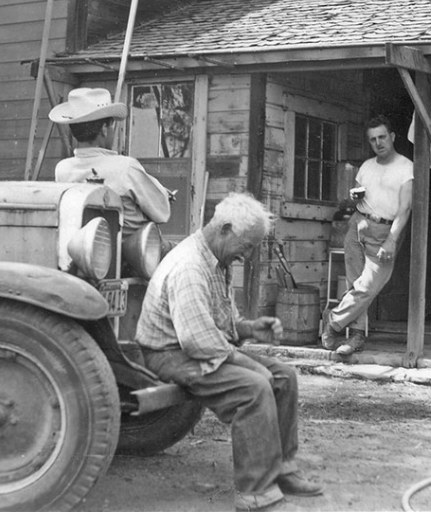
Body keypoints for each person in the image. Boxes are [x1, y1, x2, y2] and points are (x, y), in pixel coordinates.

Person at [135, 192, 323, 511]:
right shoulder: (190, 266)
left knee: (284, 376)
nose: (248, 255)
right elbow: (197, 341)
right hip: (169, 353)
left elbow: (220, 323)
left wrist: (249, 328)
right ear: (224, 229)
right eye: (247, 246)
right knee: (254, 388)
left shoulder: (218, 259)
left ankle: (282, 468)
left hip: (196, 346)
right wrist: (247, 365)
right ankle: (254, 492)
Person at [322, 115, 413, 356]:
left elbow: (405, 209)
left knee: (367, 287)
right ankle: (357, 337)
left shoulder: (406, 167)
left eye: (382, 137)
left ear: (392, 137)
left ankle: (332, 323)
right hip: (357, 226)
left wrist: (392, 240)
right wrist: (354, 197)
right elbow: (355, 199)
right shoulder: (366, 167)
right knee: (355, 285)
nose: (378, 143)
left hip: (385, 232)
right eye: (373, 140)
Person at [50, 87, 170, 237]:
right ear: (104, 129)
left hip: (83, 245)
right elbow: (162, 212)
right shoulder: (126, 167)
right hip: (127, 249)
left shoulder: (62, 169)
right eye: (112, 125)